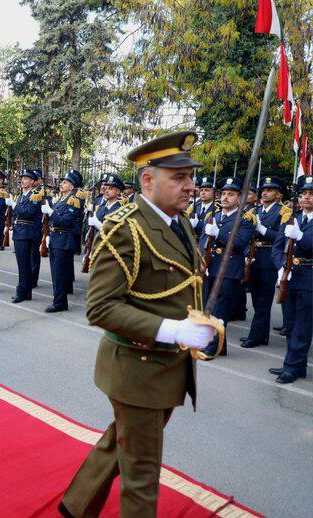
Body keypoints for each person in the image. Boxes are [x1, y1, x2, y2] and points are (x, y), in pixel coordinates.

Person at [59, 131, 216, 518]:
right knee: (142, 475)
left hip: (167, 367)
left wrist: (199, 320)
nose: (190, 186)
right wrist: (173, 331)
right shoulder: (125, 227)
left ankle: (75, 506)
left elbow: (180, 287)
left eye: (190, 177)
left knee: (122, 441)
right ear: (148, 180)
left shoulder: (181, 224)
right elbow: (100, 307)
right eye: (178, 178)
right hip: (138, 368)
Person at [198, 176, 254, 359]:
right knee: (208, 307)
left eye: (231, 194)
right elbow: (203, 241)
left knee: (220, 311)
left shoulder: (244, 220)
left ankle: (214, 346)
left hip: (229, 269)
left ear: (239, 198)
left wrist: (219, 233)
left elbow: (239, 243)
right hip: (211, 266)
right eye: (223, 193)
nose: (225, 197)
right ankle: (218, 345)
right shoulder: (213, 216)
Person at [269, 175, 313, 384]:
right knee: (291, 323)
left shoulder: (298, 224)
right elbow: (278, 247)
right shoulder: (292, 218)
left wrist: (302, 237)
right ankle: (295, 363)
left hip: (309, 279)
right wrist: (280, 267)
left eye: (311, 194)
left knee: (303, 326)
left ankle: (292, 367)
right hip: (289, 276)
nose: (306, 198)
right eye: (304, 193)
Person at [240, 176, 291, 348]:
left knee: (263, 300)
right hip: (254, 257)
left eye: (269, 190)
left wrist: (264, 230)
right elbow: (245, 235)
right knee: (255, 298)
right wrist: (247, 252)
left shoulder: (283, 212)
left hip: (269, 258)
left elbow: (283, 238)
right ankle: (261, 334)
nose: (264, 192)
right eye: (263, 190)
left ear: (278, 194)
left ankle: (256, 336)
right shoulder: (255, 211)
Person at [41, 170, 83, 312]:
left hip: (64, 240)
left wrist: (51, 212)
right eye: (62, 181)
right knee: (56, 272)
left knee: (59, 273)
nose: (62, 184)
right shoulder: (61, 199)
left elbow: (65, 221)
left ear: (72, 187)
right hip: (55, 239)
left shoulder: (74, 201)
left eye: (65, 182)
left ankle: (60, 302)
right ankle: (59, 300)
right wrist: (48, 234)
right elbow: (53, 221)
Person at [7, 169, 43, 303]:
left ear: (32, 182)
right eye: (22, 178)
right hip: (20, 232)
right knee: (24, 264)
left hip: (27, 233)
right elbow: (17, 214)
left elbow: (28, 213)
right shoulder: (21, 195)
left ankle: (21, 291)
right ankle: (26, 292)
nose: (23, 180)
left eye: (26, 178)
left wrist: (14, 205)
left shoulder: (35, 195)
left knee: (24, 264)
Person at [187, 176, 216, 240]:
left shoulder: (217, 209)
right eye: (201, 190)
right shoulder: (194, 206)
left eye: (207, 190)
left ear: (213, 193)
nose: (203, 192)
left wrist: (197, 224)